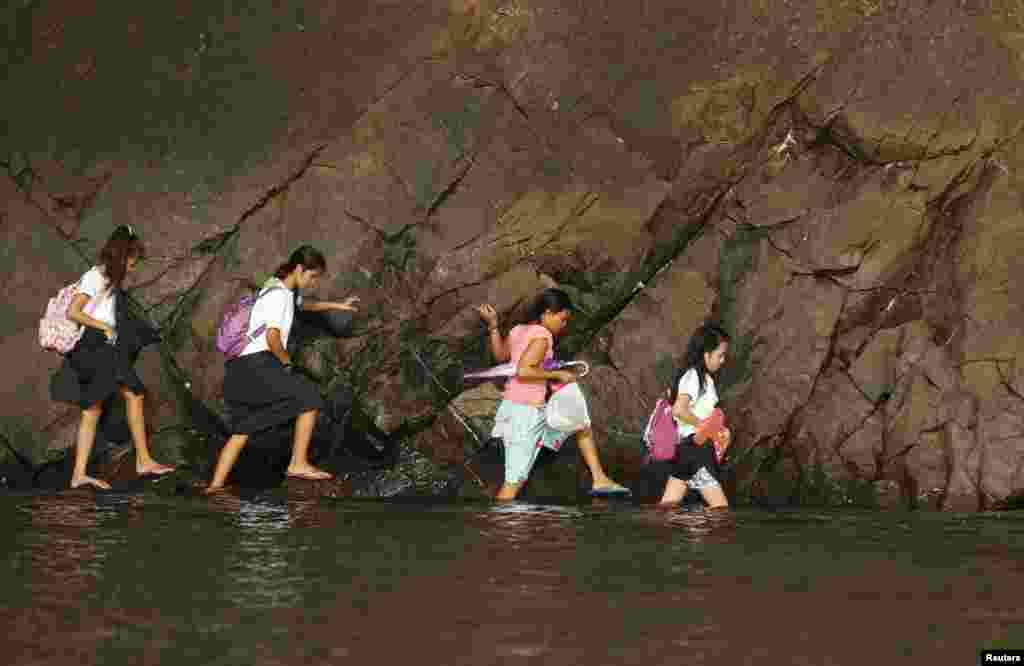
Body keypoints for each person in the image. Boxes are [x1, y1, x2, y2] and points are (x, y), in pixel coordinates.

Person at [206, 245, 356, 492]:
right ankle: (297, 463)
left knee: (244, 426)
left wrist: (339, 306)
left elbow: (303, 305)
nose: (313, 282)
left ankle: (214, 487)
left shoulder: (275, 287)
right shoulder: (279, 296)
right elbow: (273, 336)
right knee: (310, 396)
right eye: (312, 276)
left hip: (238, 369)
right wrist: (287, 362)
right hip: (258, 364)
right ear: (299, 269)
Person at [476, 291, 630, 500]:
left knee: (579, 422)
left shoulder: (518, 330)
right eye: (563, 319)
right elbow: (524, 370)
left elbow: (501, 356)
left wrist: (493, 326)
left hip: (523, 410)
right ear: (548, 313)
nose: (564, 325)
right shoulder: (543, 336)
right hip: (525, 415)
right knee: (513, 485)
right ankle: (501, 529)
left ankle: (599, 478)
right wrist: (557, 373)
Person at [62, 225, 176, 489]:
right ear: (123, 256)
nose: (134, 267)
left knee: (102, 404)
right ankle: (140, 462)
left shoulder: (109, 280)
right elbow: (73, 311)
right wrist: (103, 327)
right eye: (133, 260)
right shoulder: (96, 276)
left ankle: (84, 474)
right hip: (95, 346)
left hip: (101, 348)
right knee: (123, 397)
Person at [655, 323, 732, 509]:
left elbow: (699, 413)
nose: (722, 360)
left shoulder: (705, 379)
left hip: (688, 451)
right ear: (706, 354)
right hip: (696, 451)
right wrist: (705, 425)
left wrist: (719, 430)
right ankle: (694, 527)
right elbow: (679, 410)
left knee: (667, 508)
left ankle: (649, 531)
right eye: (720, 355)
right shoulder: (693, 377)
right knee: (720, 509)